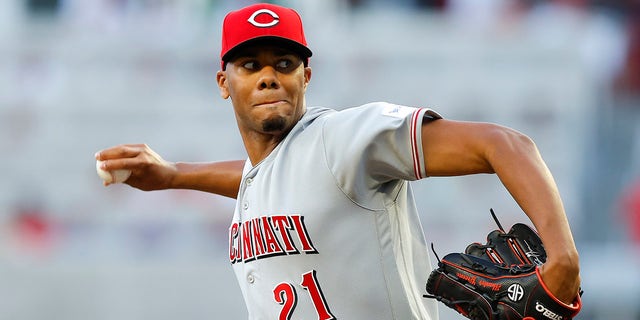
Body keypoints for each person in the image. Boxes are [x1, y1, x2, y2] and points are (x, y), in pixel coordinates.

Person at [95, 3, 581, 319]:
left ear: (306, 75)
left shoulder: (343, 139)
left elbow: (507, 144)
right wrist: (175, 175)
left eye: (283, 64)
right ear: (224, 83)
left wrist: (563, 261)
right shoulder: (263, 174)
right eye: (250, 65)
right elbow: (256, 177)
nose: (268, 77)